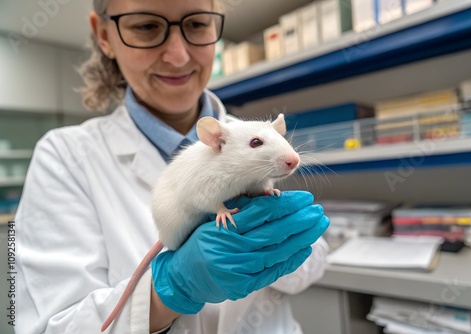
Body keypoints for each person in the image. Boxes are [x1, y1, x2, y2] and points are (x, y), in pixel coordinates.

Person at [15, 0, 329, 333]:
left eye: (196, 24)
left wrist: (275, 249)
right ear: (103, 35)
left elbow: (314, 261)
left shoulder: (255, 142)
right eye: (147, 26)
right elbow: (50, 325)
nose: (178, 56)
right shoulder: (64, 156)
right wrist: (170, 291)